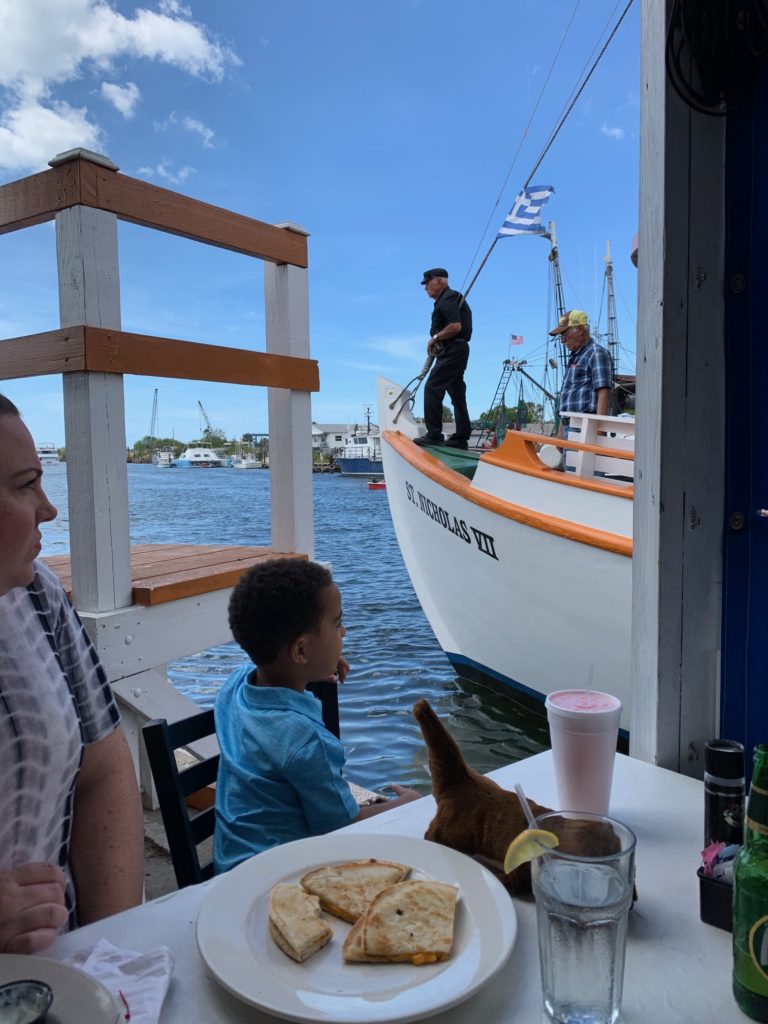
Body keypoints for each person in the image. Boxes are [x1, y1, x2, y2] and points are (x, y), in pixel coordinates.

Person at [0, 394, 143, 954]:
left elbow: (103, 769)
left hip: (62, 983)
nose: (48, 508)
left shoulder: (38, 594)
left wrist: (110, 955)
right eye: (23, 484)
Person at [214, 558, 421, 873]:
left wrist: (314, 667)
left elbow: (273, 669)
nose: (344, 631)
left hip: (231, 863)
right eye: (337, 623)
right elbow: (341, 824)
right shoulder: (306, 741)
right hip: (277, 878)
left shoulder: (234, 688)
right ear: (300, 651)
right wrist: (405, 806)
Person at [413, 268, 473, 450]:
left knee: (432, 387)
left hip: (453, 349)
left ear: (440, 281)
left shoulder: (447, 298)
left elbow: (455, 326)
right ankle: (461, 437)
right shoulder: (449, 299)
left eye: (427, 283)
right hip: (457, 349)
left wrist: (435, 338)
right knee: (456, 393)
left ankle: (434, 435)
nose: (425, 288)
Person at [549, 310, 613, 438]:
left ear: (580, 329)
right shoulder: (575, 357)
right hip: (570, 426)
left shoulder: (597, 353)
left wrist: (599, 434)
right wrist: (561, 431)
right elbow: (568, 399)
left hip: (584, 429)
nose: (562, 340)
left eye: (564, 334)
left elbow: (603, 393)